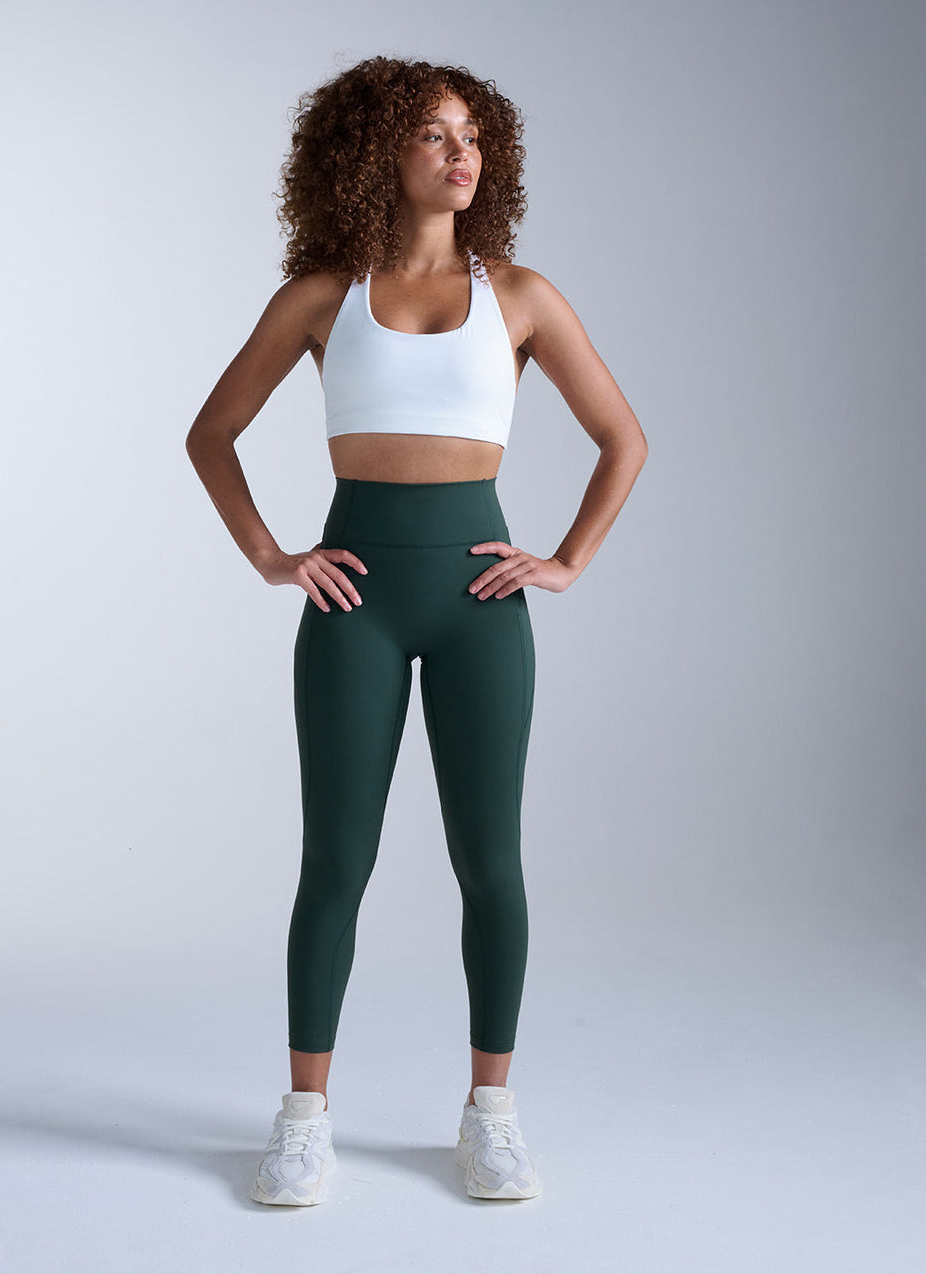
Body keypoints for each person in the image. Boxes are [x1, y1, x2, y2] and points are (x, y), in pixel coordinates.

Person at [185, 55, 648, 1207]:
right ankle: (303, 1121)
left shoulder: (521, 296)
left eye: (473, 137)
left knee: (490, 861)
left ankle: (490, 1113)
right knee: (334, 860)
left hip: (479, 602)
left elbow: (623, 438)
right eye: (435, 134)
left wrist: (566, 560)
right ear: (374, 152)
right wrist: (273, 555)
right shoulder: (320, 295)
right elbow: (211, 433)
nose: (460, 154)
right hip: (356, 602)